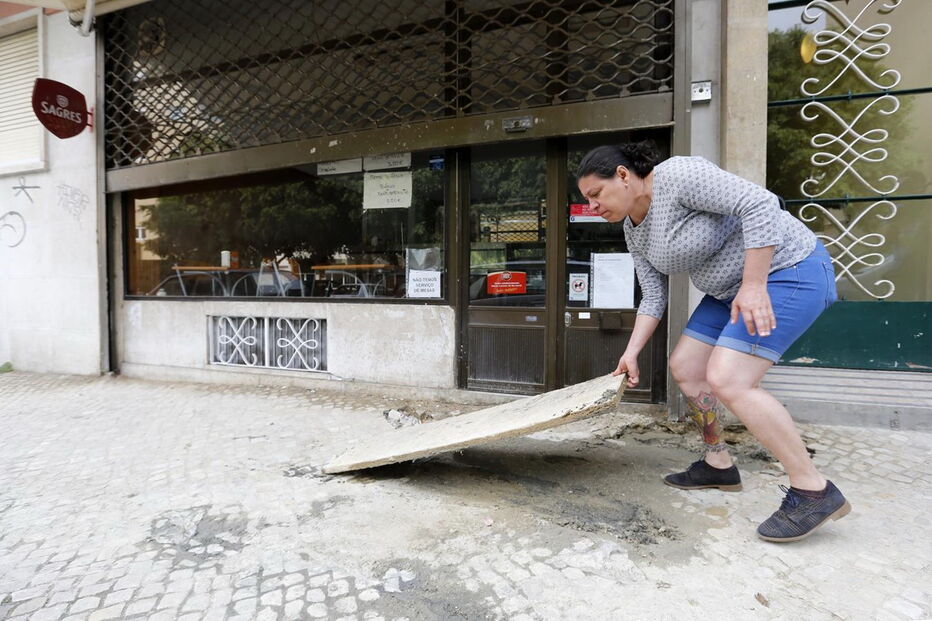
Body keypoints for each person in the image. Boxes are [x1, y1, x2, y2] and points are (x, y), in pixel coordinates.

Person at [576, 142, 850, 543]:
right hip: (727, 292)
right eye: (586, 201)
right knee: (686, 368)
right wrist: (630, 353)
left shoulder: (678, 176)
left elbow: (760, 203)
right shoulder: (633, 229)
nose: (593, 207)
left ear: (622, 175)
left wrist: (755, 286)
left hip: (787, 270)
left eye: (596, 195)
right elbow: (654, 295)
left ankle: (813, 489)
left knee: (729, 378)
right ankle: (718, 463)